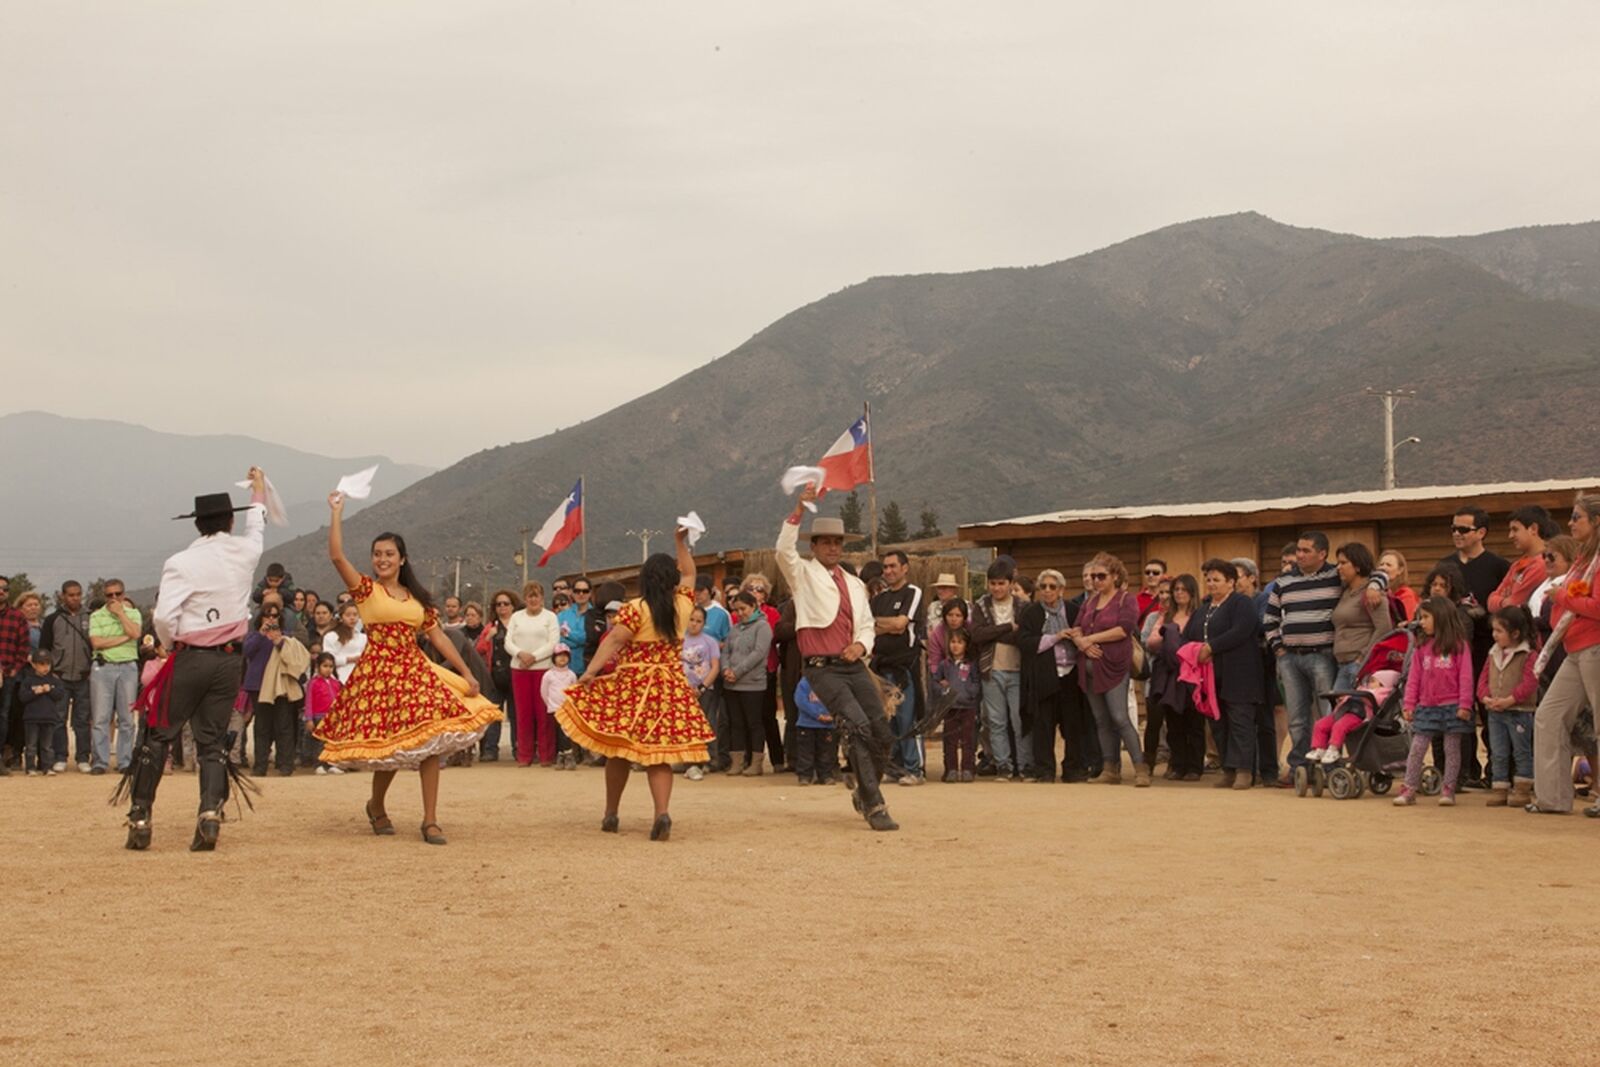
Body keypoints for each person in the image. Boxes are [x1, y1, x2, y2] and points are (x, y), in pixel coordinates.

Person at [314, 491, 501, 845]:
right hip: (380, 675)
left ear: (402, 559)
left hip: (416, 672)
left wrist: (465, 672)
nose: (382, 559)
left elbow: (440, 637)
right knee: (389, 748)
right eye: (377, 554)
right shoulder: (366, 590)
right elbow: (337, 556)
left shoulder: (417, 599)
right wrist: (337, 513)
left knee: (430, 740)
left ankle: (430, 820)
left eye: (389, 554)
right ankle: (376, 805)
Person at [121, 472, 268, 851]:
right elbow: (259, 519)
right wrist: (258, 487)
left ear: (199, 524)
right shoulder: (247, 552)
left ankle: (140, 816)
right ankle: (209, 815)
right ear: (229, 521)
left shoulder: (181, 562)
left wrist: (170, 647)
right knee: (213, 741)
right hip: (229, 662)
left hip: (191, 657)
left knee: (159, 736)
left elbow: (165, 617)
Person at [556, 526, 715, 840]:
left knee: (618, 750)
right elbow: (691, 573)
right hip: (670, 685)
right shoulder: (683, 605)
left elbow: (613, 642)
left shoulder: (636, 609)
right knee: (659, 754)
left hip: (635, 685)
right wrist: (680, 542)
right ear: (671, 579)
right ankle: (662, 813)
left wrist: (590, 673)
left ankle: (611, 813)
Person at [774, 487, 898, 831]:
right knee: (858, 727)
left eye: (837, 542)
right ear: (813, 546)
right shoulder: (803, 574)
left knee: (882, 732)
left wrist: (861, 646)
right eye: (825, 542)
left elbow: (867, 625)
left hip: (854, 665)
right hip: (822, 668)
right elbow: (783, 550)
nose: (832, 547)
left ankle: (863, 788)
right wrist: (799, 507)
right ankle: (874, 805)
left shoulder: (855, 584)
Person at [1263, 532, 1375, 778]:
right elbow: (1269, 619)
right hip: (1290, 658)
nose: (1299, 555)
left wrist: (1378, 583)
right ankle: (1299, 767)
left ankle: (1329, 767)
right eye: (1298, 550)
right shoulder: (1283, 581)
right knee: (1296, 718)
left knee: (1329, 713)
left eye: (1306, 551)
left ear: (1322, 554)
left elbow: (1370, 574)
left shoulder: (1336, 575)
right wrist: (1278, 648)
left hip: (1323, 656)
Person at [1529, 495, 1600, 815]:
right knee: (1549, 716)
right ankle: (1553, 798)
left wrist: (1562, 598)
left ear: (1596, 521)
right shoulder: (1584, 559)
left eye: (1577, 517)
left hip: (1595, 647)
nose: (1570, 523)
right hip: (1575, 649)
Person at [1189, 559, 1267, 790]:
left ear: (1231, 582)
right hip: (1211, 676)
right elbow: (1191, 633)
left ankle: (1245, 771)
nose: (1211, 584)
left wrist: (1211, 647)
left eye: (1217, 580)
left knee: (1240, 722)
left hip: (1239, 673)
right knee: (1218, 723)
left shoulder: (1242, 603)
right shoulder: (1203, 609)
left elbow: (1241, 631)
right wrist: (1193, 650)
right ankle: (1228, 769)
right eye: (1209, 579)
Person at [1070, 553, 1146, 786]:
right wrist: (1081, 642)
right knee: (1101, 720)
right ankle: (1110, 768)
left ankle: (1140, 769)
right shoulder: (1089, 602)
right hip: (1089, 666)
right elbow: (1076, 628)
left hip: (1114, 665)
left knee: (1120, 717)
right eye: (1093, 576)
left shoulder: (1126, 600)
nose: (1096, 580)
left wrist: (1089, 639)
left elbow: (1124, 629)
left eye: (1101, 576)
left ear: (1115, 576)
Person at [1394, 597, 1476, 807]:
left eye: (1426, 617)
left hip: (1453, 707)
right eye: (1421, 618)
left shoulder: (1459, 646)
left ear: (1441, 617)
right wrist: (1409, 704)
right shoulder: (1421, 647)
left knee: (1452, 749)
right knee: (1417, 748)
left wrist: (1465, 704)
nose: (1421, 622)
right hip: (1426, 707)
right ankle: (1409, 788)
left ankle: (1449, 788)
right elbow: (1414, 678)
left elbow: (1466, 676)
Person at [1018, 568, 1095, 783]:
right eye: (1043, 587)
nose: (1047, 591)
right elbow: (1025, 642)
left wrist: (1075, 636)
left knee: (1073, 724)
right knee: (1043, 724)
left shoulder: (1073, 611)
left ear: (1062, 590)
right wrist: (1055, 637)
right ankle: (1044, 770)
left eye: (1053, 587)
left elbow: (1087, 634)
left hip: (1071, 674)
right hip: (1044, 675)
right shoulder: (1031, 613)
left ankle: (1074, 769)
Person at [872, 549, 925, 786]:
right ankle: (894, 768)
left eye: (893, 566)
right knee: (887, 721)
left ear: (905, 568)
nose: (889, 571)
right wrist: (888, 625)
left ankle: (914, 769)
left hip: (905, 667)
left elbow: (901, 624)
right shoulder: (879, 598)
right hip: (882, 668)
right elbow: (870, 625)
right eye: (885, 567)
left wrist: (888, 624)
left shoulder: (912, 592)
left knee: (906, 718)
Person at [970, 559, 1026, 780]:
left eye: (1001, 583)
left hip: (1018, 667)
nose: (997, 588)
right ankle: (1003, 764)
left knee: (1019, 718)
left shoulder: (1022, 606)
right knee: (996, 720)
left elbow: (1022, 636)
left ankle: (1023, 764)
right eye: (993, 583)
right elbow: (977, 635)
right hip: (991, 668)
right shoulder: (981, 605)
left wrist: (993, 632)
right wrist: (1006, 627)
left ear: (1011, 583)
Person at [1479, 606, 1538, 807]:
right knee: (1498, 751)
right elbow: (1483, 679)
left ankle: (1522, 789)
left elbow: (1530, 682)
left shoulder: (1528, 654)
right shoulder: (1493, 653)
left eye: (1499, 631)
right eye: (1494, 630)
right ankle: (1500, 787)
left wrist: (1511, 699)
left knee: (1521, 751)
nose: (1494, 635)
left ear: (1515, 633)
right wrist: (1485, 697)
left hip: (1519, 712)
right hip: (1495, 711)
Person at [1147, 574, 1203, 780]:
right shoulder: (1166, 615)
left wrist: (1179, 645)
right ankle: (1178, 764)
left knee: (1193, 720)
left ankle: (1195, 766)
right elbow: (1152, 642)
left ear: (1192, 592)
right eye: (1176, 590)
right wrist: (1169, 639)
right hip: (1169, 674)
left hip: (1192, 673)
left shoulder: (1199, 615)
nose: (1179, 593)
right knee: (1174, 721)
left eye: (1183, 589)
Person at [88, 578, 143, 775]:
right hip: (103, 667)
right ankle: (100, 761)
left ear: (123, 594)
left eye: (117, 594)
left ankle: (125, 761)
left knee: (127, 718)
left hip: (128, 667)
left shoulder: (133, 613)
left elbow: (136, 632)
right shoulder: (97, 616)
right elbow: (97, 642)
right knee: (101, 717)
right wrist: (124, 638)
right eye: (109, 595)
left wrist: (121, 614)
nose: (113, 598)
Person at [504, 581, 561, 767]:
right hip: (519, 669)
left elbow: (553, 642)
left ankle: (546, 755)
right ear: (525, 598)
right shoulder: (516, 617)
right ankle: (524, 755)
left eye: (536, 595)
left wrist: (534, 657)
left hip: (543, 669)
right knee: (523, 714)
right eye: (530, 596)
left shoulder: (550, 617)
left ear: (542, 598)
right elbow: (508, 641)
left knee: (544, 714)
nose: (533, 599)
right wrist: (520, 654)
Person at [39, 579, 93, 772]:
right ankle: (60, 756)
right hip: (60, 676)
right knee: (58, 718)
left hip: (84, 676)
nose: (75, 598)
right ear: (62, 596)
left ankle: (83, 757)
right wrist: (51, 672)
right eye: (71, 595)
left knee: (82, 719)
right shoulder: (53, 619)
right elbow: (44, 647)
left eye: (78, 594)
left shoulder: (91, 617)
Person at [720, 592, 773, 775]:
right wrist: (725, 669)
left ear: (753, 606)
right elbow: (726, 651)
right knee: (736, 723)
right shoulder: (735, 629)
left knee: (754, 723)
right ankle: (737, 761)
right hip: (732, 684)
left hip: (753, 684)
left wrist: (738, 671)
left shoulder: (763, 627)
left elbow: (758, 653)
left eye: (743, 609)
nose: (740, 613)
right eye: (737, 610)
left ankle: (756, 762)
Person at [1332, 543, 1393, 692]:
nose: (1338, 567)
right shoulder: (1345, 591)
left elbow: (1384, 628)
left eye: (1343, 563)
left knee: (1355, 712)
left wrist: (1363, 657)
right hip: (1343, 664)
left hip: (1360, 665)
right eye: (1338, 563)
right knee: (1337, 713)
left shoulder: (1372, 593)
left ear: (1357, 566)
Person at [477, 589, 522, 761]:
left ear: (513, 606)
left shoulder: (519, 625)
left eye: (506, 603)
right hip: (495, 675)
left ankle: (518, 748)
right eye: (498, 604)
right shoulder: (491, 626)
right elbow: (479, 649)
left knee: (515, 715)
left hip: (515, 674)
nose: (502, 607)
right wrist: (488, 638)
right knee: (493, 715)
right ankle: (490, 750)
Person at [934, 628, 981, 781]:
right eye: (953, 642)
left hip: (968, 707)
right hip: (950, 708)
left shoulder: (972, 664)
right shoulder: (944, 664)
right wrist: (943, 689)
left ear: (966, 645)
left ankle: (968, 768)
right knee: (950, 740)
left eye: (960, 642)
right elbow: (935, 682)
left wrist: (970, 693)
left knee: (968, 739)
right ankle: (951, 769)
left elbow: (976, 682)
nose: (955, 646)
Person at [680, 606, 721, 780]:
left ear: (704, 623)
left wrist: (702, 687)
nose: (694, 624)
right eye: (692, 619)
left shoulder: (709, 641)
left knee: (706, 723)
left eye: (699, 621)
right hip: (683, 689)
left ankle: (707, 759)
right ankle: (688, 760)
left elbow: (715, 666)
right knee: (686, 725)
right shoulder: (679, 639)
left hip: (704, 689)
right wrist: (684, 686)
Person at [1488, 506, 1552, 612]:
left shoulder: (1544, 563)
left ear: (1533, 529)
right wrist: (1505, 601)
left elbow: (1516, 603)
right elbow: (1490, 602)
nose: (1510, 535)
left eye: (1515, 529)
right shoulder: (1517, 564)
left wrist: (1504, 599)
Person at [18, 648, 63, 775]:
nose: (45, 667)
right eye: (41, 664)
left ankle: (47, 767)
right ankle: (30, 767)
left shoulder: (54, 680)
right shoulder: (28, 680)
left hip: (49, 718)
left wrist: (50, 690)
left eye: (48, 664)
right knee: (31, 745)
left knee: (47, 746)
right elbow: (22, 697)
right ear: (34, 664)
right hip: (31, 718)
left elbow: (60, 695)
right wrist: (34, 692)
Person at [790, 676, 837, 785]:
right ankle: (805, 776)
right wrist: (818, 715)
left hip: (827, 726)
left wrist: (832, 715)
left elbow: (838, 700)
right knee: (805, 752)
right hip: (806, 725)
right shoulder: (805, 682)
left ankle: (825, 775)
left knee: (826, 752)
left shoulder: (834, 682)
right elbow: (801, 701)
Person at [539, 645, 579, 769]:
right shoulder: (549, 675)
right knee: (559, 732)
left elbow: (574, 691)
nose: (562, 659)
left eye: (565, 656)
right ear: (554, 658)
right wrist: (550, 704)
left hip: (568, 709)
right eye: (559, 656)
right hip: (555, 708)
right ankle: (563, 755)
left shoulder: (571, 675)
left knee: (566, 732)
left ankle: (567, 754)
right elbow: (544, 692)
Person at [305, 652, 344, 775]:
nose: (328, 669)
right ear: (318, 667)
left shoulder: (336, 683)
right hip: (319, 716)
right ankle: (319, 764)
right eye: (325, 666)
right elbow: (309, 702)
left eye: (330, 666)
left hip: (334, 718)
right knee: (320, 743)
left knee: (332, 742)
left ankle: (332, 763)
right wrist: (309, 718)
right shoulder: (313, 683)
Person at [323, 601, 367, 684]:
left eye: (355, 615)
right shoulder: (332, 636)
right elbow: (328, 659)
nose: (352, 618)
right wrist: (349, 659)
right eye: (348, 615)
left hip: (361, 678)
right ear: (341, 617)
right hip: (339, 678)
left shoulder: (363, 637)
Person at [557, 581, 591, 677]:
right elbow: (558, 639)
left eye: (585, 591)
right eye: (577, 591)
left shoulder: (594, 615)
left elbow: (587, 638)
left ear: (590, 593)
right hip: (564, 668)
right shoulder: (562, 615)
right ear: (572, 592)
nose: (581, 594)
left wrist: (567, 634)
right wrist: (579, 640)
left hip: (586, 669)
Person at [1377, 551, 1419, 622]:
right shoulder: (1379, 591)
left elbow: (1408, 621)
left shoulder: (1407, 595)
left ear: (1400, 570)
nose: (1383, 568)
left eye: (1388, 565)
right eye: (1381, 564)